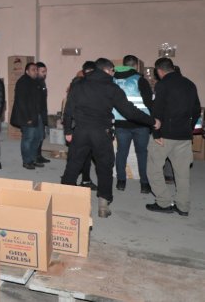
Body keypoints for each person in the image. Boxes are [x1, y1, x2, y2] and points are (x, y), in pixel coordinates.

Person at [61, 58, 157, 218]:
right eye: (113, 71)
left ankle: (64, 201)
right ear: (107, 70)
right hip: (101, 133)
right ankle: (103, 206)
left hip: (81, 132)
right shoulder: (112, 88)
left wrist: (67, 131)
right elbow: (129, 112)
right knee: (104, 167)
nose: (114, 74)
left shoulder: (79, 85)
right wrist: (152, 121)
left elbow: (68, 110)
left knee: (73, 164)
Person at [146, 58, 200, 216]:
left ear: (159, 71)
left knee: (154, 169)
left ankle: (163, 202)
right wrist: (189, 128)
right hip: (184, 135)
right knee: (182, 173)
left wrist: (156, 133)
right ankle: (183, 207)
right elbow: (196, 110)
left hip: (164, 135)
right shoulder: (190, 84)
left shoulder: (162, 85)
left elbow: (156, 110)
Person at [112, 54, 154, 194]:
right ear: (136, 66)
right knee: (142, 153)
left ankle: (121, 182)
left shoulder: (113, 79)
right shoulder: (140, 80)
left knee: (121, 152)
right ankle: (144, 184)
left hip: (120, 123)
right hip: (140, 123)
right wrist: (152, 121)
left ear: (123, 64)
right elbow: (149, 102)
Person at [66, 61, 98, 190]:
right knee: (78, 157)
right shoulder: (79, 85)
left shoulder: (77, 84)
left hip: (80, 126)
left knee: (83, 156)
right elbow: (70, 110)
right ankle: (70, 181)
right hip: (79, 126)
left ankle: (83, 180)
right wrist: (68, 130)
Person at [10, 62, 44, 170]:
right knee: (28, 138)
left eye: (36, 69)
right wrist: (27, 118)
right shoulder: (23, 82)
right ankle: (27, 161)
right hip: (28, 116)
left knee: (38, 137)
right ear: (27, 71)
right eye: (33, 69)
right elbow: (21, 102)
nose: (36, 71)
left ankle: (33, 159)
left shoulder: (36, 81)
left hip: (37, 115)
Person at [35, 62, 50, 164]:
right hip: (37, 114)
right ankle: (35, 157)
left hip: (42, 112)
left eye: (45, 71)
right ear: (36, 71)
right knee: (37, 136)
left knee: (41, 136)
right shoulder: (34, 83)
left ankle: (38, 155)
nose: (45, 73)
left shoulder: (42, 82)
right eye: (43, 71)